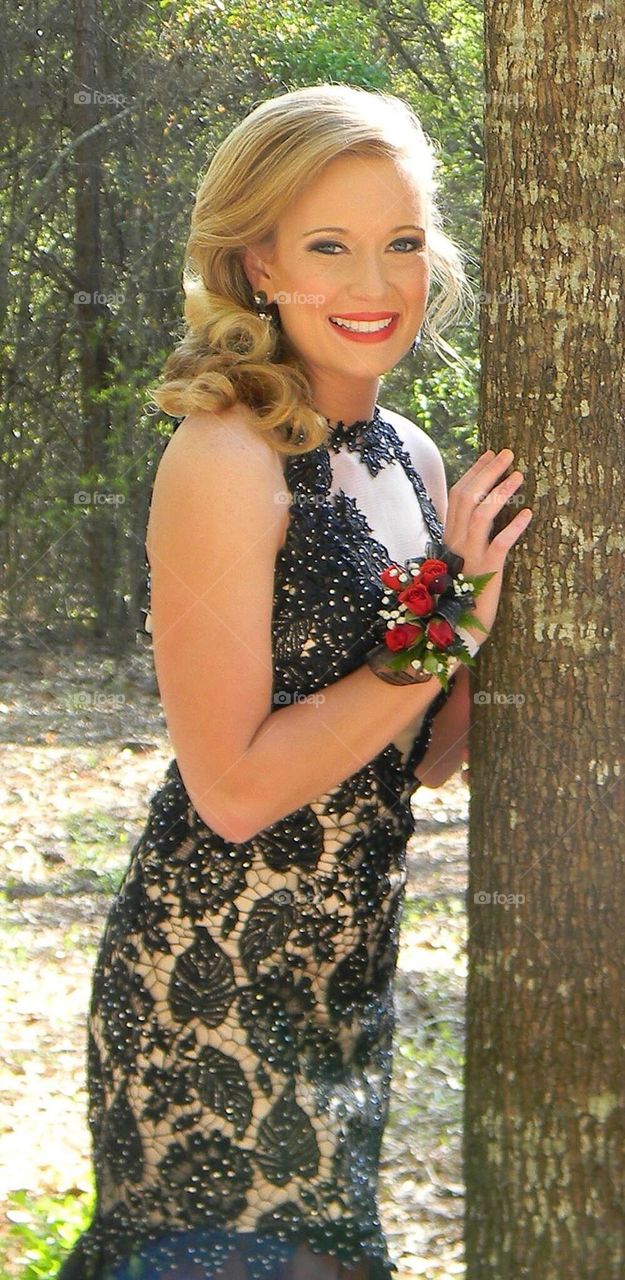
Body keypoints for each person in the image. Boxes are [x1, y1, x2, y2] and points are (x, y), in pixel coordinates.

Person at [56, 83, 532, 1280]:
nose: (373, 286)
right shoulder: (224, 455)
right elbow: (231, 786)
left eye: (402, 244)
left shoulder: (413, 458)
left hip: (346, 984)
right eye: (329, 247)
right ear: (259, 264)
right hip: (211, 981)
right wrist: (449, 621)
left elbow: (411, 752)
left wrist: (478, 627)